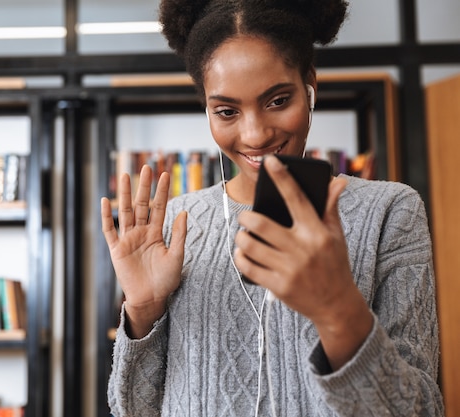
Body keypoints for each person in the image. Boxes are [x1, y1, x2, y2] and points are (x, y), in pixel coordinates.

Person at [100, 0, 444, 415]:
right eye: (226, 111)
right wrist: (142, 312)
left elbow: (421, 409)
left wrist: (337, 308)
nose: (256, 133)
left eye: (278, 100)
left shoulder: (390, 212)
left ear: (309, 86)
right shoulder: (176, 224)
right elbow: (133, 411)